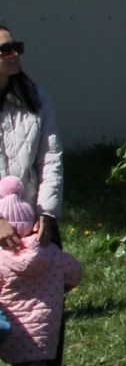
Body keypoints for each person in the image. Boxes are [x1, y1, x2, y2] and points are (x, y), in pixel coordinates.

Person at [0, 175, 82, 366]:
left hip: (18, 328)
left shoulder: (3, 258)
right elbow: (75, 272)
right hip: (48, 324)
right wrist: (61, 286)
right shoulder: (50, 251)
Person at [0, 25, 62, 252]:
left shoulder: (37, 100)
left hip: (31, 223)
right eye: (5, 50)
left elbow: (50, 158)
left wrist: (47, 212)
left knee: (47, 285)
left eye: (16, 47)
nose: (14, 54)